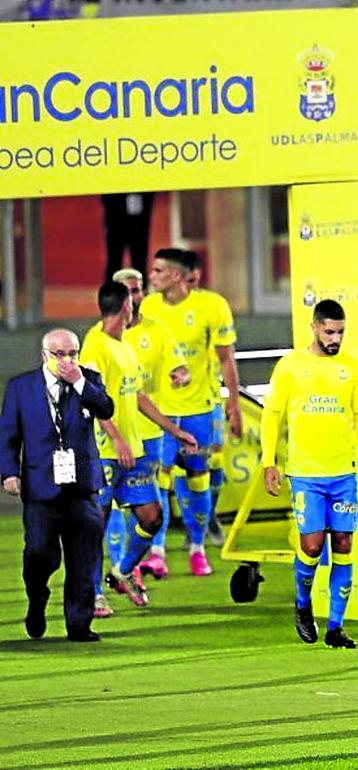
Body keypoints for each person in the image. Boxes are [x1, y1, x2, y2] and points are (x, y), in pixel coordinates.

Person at [261, 300, 358, 649]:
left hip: (343, 474)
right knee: (311, 547)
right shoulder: (291, 367)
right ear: (314, 327)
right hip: (306, 474)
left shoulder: (351, 369)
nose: (335, 338)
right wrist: (269, 461)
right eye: (329, 331)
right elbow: (272, 414)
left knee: (343, 544)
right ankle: (302, 601)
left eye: (340, 332)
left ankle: (336, 627)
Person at [81, 282, 197, 610]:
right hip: (105, 452)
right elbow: (92, 399)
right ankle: (93, 594)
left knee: (152, 518)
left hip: (133, 451)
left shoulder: (124, 347)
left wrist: (174, 430)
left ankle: (121, 572)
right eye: (131, 302)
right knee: (96, 525)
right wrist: (116, 440)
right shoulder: (95, 347)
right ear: (124, 308)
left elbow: (138, 396)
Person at [0, 330, 114, 642]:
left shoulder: (88, 381)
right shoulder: (21, 388)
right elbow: (7, 435)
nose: (66, 361)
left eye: (72, 354)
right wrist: (9, 472)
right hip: (40, 487)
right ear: (44, 356)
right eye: (59, 354)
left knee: (84, 553)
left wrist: (79, 381)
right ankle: (37, 597)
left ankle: (79, 624)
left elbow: (106, 408)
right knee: (39, 552)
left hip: (82, 486)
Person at [140, 247, 241, 576]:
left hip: (200, 410)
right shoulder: (148, 307)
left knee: (199, 480)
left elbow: (226, 357)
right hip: (160, 412)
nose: (151, 277)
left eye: (157, 271)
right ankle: (157, 551)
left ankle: (197, 547)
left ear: (177, 276)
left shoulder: (211, 307)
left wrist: (234, 404)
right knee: (159, 483)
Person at [113, 268, 189, 582]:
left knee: (152, 496)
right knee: (117, 503)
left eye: (138, 289)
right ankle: (123, 566)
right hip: (115, 434)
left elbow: (179, 365)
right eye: (128, 291)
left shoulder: (157, 331)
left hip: (152, 432)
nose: (134, 297)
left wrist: (181, 375)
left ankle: (156, 556)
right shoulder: (103, 337)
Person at [184, 252, 232, 547]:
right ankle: (193, 530)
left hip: (210, 399)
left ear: (198, 276)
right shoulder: (162, 311)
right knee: (185, 465)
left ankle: (209, 516)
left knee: (214, 461)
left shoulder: (212, 307)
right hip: (177, 404)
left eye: (191, 278)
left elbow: (226, 354)